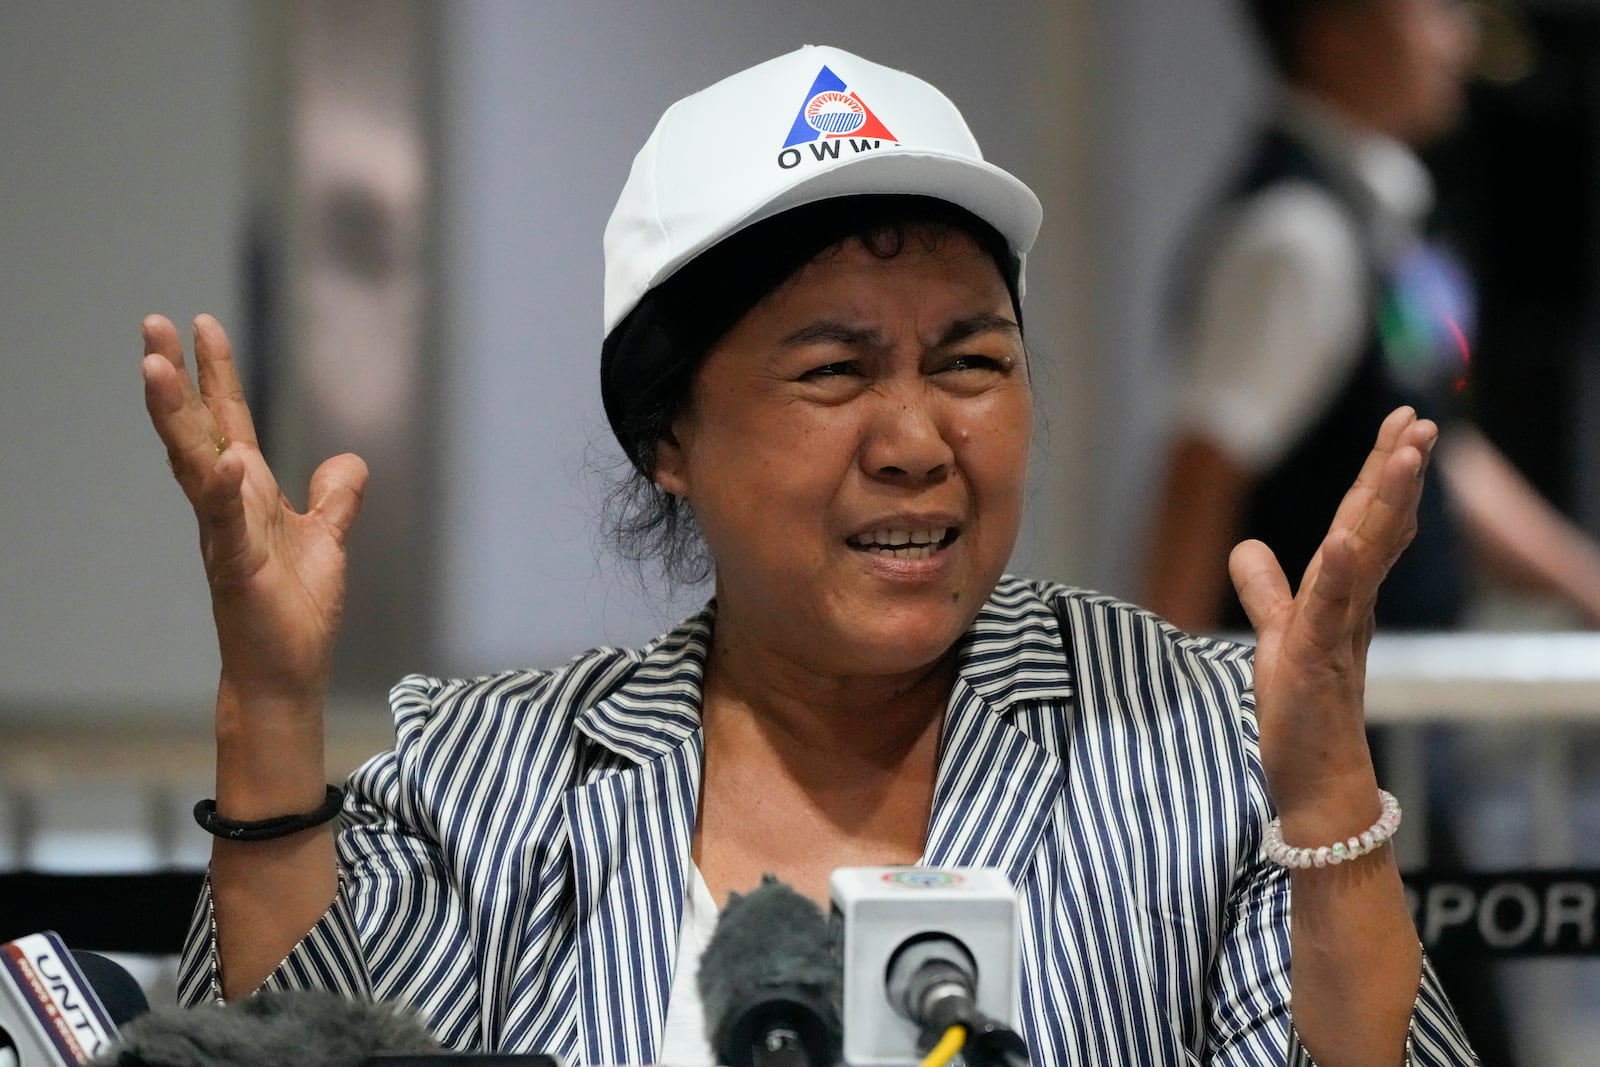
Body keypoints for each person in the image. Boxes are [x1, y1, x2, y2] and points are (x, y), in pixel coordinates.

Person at [142, 45, 1475, 1066]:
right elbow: (285, 1038)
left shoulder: (1189, 738)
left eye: (971, 360)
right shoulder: (498, 777)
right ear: (670, 434)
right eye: (834, 369)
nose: (916, 438)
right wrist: (270, 706)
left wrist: (1327, 819)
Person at [1143, 0, 1600, 633]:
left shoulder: (1374, 221)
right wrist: (1162, 707)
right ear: (1335, 31)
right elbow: (1201, 480)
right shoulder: (1296, 234)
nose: (1460, 42)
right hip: (1291, 709)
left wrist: (1584, 584)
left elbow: (1445, 453)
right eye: (1434, 11)